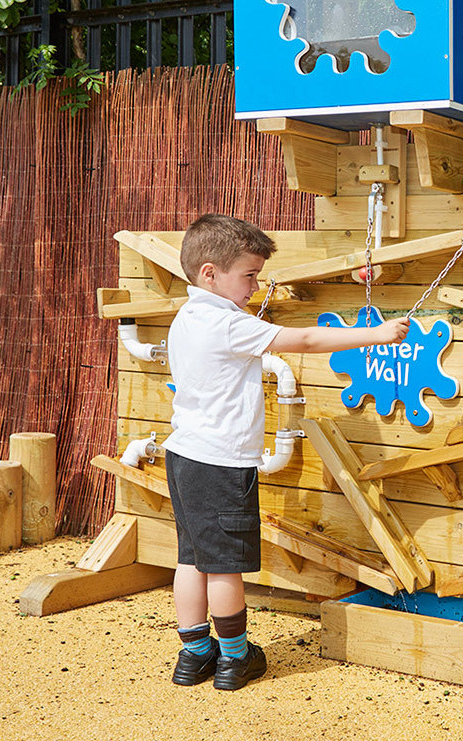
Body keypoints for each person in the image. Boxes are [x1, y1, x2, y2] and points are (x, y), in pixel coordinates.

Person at [163, 213, 409, 690]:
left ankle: (194, 656)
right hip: (221, 463)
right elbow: (308, 339)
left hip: (184, 456)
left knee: (191, 558)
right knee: (224, 566)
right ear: (210, 273)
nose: (256, 285)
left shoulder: (189, 315)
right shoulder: (226, 324)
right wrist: (375, 335)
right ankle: (235, 659)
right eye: (249, 275)